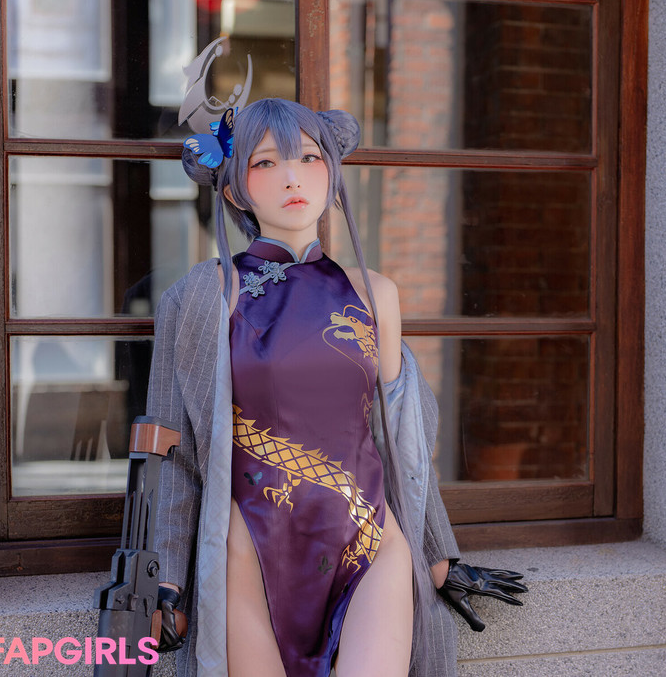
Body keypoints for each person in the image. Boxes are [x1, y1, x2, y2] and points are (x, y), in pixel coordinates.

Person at [145, 97, 525, 677]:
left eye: (309, 157)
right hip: (251, 547)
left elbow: (402, 441)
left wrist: (438, 557)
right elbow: (170, 445)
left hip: (370, 539)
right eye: (265, 162)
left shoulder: (375, 294)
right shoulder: (203, 296)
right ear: (234, 191)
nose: (293, 177)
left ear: (333, 170)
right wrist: (166, 575)